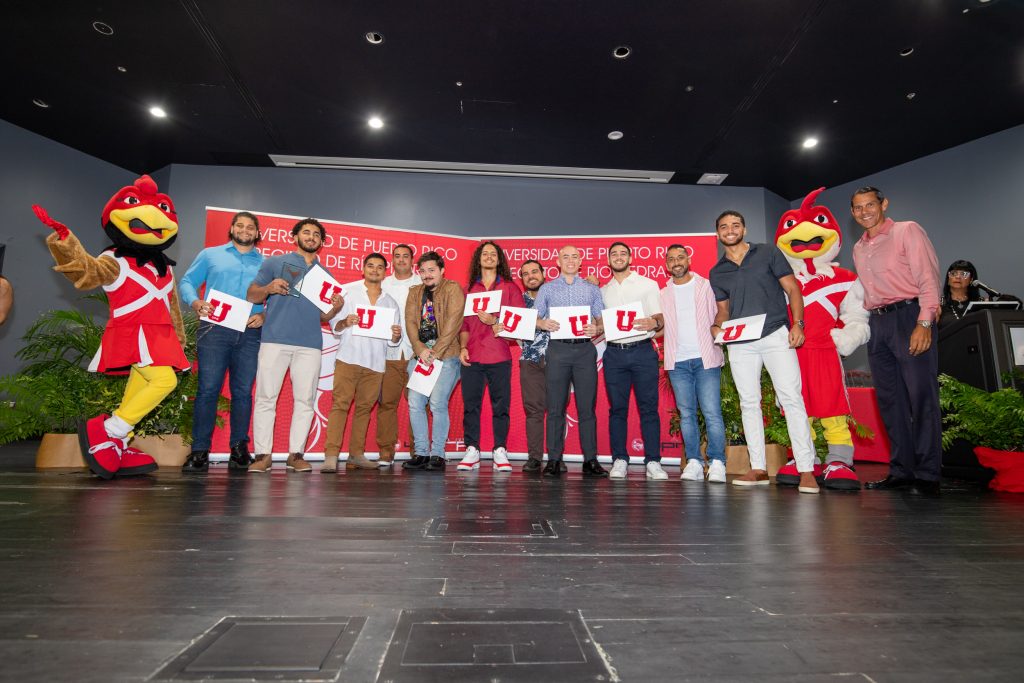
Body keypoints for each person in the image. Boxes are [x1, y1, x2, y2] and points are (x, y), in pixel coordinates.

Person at [709, 210, 819, 494]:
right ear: (718, 233)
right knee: (748, 403)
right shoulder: (717, 271)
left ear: (744, 229)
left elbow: (793, 290)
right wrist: (716, 327)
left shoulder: (768, 252)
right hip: (740, 342)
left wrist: (798, 324)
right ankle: (757, 468)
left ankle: (807, 469)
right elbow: (723, 311)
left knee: (791, 399)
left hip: (775, 334)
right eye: (724, 227)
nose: (730, 230)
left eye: (735, 225)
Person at [851, 187, 942, 496]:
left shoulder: (907, 231)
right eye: (858, 207)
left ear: (883, 205)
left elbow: (928, 279)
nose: (865, 211)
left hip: (909, 316)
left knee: (921, 397)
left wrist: (924, 322)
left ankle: (928, 473)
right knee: (891, 401)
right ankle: (901, 470)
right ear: (852, 212)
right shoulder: (858, 248)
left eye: (870, 205)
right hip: (878, 323)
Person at [246, 218, 343, 474]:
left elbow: (322, 317)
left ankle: (296, 454)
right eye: (306, 232)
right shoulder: (275, 263)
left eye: (316, 234)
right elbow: (251, 294)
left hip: (310, 344)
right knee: (266, 398)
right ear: (294, 236)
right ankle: (262, 455)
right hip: (274, 339)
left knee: (305, 400)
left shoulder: (326, 275)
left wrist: (336, 307)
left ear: (321, 242)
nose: (311, 237)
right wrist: (268, 287)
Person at [178, 211, 265, 473]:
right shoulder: (210, 254)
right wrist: (195, 301)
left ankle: (239, 449)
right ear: (232, 228)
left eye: (251, 227)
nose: (245, 230)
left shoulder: (265, 263)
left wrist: (264, 314)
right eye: (240, 225)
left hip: (249, 332)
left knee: (242, 392)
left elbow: (275, 298)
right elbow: (186, 282)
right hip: (214, 329)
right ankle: (199, 451)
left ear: (258, 233)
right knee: (207, 390)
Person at [322, 253, 401, 473]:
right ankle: (331, 455)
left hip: (375, 364)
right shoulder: (348, 292)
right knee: (340, 406)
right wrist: (345, 322)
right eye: (370, 266)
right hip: (348, 358)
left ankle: (356, 454)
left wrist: (396, 335)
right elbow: (335, 328)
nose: (375, 270)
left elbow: (394, 342)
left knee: (364, 410)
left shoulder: (391, 302)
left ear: (386, 272)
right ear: (363, 268)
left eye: (379, 267)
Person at [534, 245, 608, 478]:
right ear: (558, 261)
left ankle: (590, 460)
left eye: (575, 256)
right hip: (557, 350)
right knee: (555, 407)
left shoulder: (591, 289)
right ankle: (554, 460)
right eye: (565, 256)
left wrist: (597, 327)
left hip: (585, 351)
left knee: (587, 408)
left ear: (580, 261)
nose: (570, 260)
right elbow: (534, 318)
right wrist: (542, 324)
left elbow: (603, 320)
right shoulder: (546, 289)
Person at [660, 244, 727, 483]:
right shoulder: (663, 292)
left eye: (681, 257)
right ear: (666, 264)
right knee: (686, 414)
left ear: (688, 260)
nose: (676, 262)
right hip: (677, 362)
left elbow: (722, 311)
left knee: (711, 412)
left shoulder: (706, 286)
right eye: (671, 259)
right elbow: (660, 322)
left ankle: (718, 461)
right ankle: (694, 462)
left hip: (705, 357)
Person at [600, 241, 667, 480]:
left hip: (642, 352)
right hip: (614, 353)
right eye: (614, 254)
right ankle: (619, 459)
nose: (618, 257)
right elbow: (600, 324)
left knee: (648, 408)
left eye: (622, 253)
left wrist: (654, 323)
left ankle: (653, 461)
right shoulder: (602, 291)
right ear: (608, 261)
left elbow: (660, 318)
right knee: (617, 409)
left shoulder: (648, 284)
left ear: (630, 258)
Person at [457, 241, 525, 472]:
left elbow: (520, 324)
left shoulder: (510, 288)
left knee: (501, 406)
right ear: (478, 259)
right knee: (471, 405)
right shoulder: (468, 290)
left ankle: (499, 450)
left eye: (493, 254)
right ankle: (472, 449)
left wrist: (495, 322)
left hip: (499, 356)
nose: (488, 257)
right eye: (484, 254)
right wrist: (463, 347)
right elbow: (464, 325)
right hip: (473, 356)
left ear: (499, 260)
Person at [403, 251, 465, 472]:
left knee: (438, 404)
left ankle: (437, 454)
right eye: (422, 271)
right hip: (420, 357)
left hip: (446, 356)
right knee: (415, 404)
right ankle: (421, 453)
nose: (427, 275)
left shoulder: (453, 289)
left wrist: (435, 352)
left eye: (431, 270)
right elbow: (410, 321)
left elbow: (453, 323)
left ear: (442, 270)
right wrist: (420, 349)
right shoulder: (414, 292)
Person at [377, 244, 421, 467]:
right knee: (387, 403)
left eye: (406, 256)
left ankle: (418, 450)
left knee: (418, 404)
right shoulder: (383, 284)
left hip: (418, 353)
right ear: (392, 260)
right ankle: (386, 451)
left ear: (412, 260)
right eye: (397, 256)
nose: (401, 260)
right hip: (389, 352)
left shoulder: (422, 283)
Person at [517, 260, 550, 472]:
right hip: (530, 359)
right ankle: (535, 457)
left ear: (543, 273)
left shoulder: (557, 295)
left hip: (559, 359)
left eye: (535, 272)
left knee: (557, 410)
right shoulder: (517, 302)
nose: (531, 276)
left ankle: (556, 457)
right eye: (526, 273)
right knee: (533, 411)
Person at [938, 260, 985, 329]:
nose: (958, 277)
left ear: (971, 280)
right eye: (953, 273)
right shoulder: (938, 303)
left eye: (963, 274)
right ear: (948, 279)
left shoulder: (980, 303)